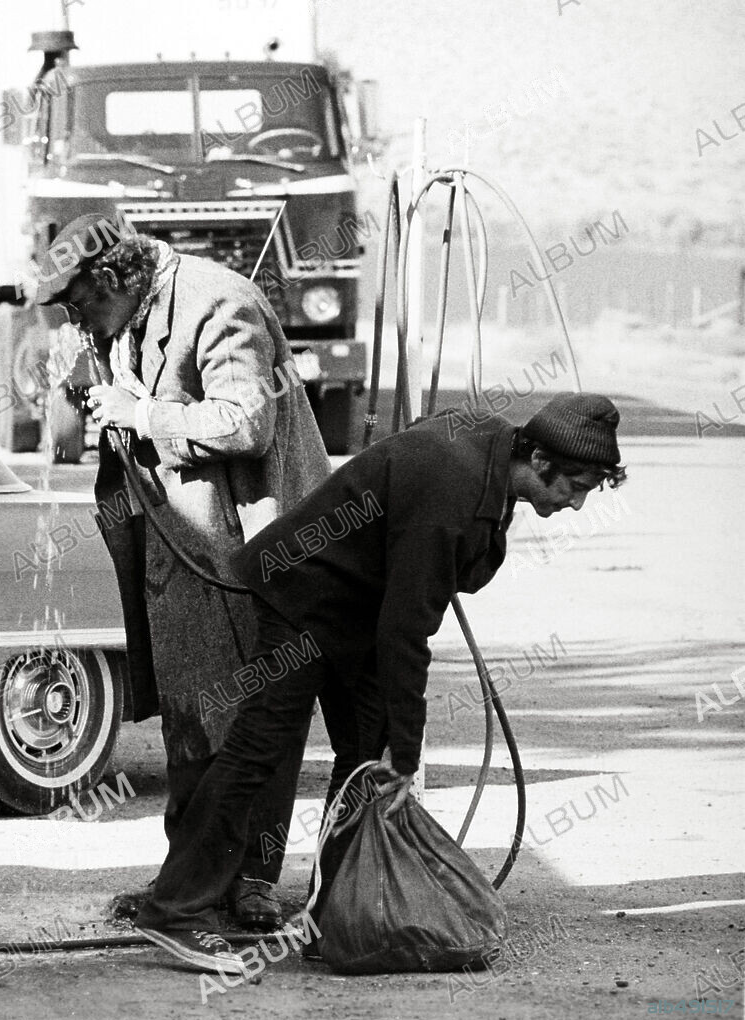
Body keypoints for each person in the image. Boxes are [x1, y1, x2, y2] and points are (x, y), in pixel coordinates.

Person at [130, 392, 626, 974]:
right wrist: (408, 749)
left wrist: (391, 744)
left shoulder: (489, 439)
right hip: (306, 594)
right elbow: (405, 631)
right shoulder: (456, 492)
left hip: (358, 608)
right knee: (259, 749)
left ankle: (336, 910)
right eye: (575, 487)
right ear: (540, 462)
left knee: (367, 759)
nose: (574, 503)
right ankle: (176, 912)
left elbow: (419, 443)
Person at [35, 213, 331, 938]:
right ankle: (189, 875)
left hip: (246, 546)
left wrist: (143, 412)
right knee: (189, 718)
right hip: (178, 545)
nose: (76, 320)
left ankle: (254, 879)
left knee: (251, 719)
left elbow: (246, 422)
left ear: (110, 278)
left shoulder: (218, 301)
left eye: (78, 303)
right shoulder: (126, 315)